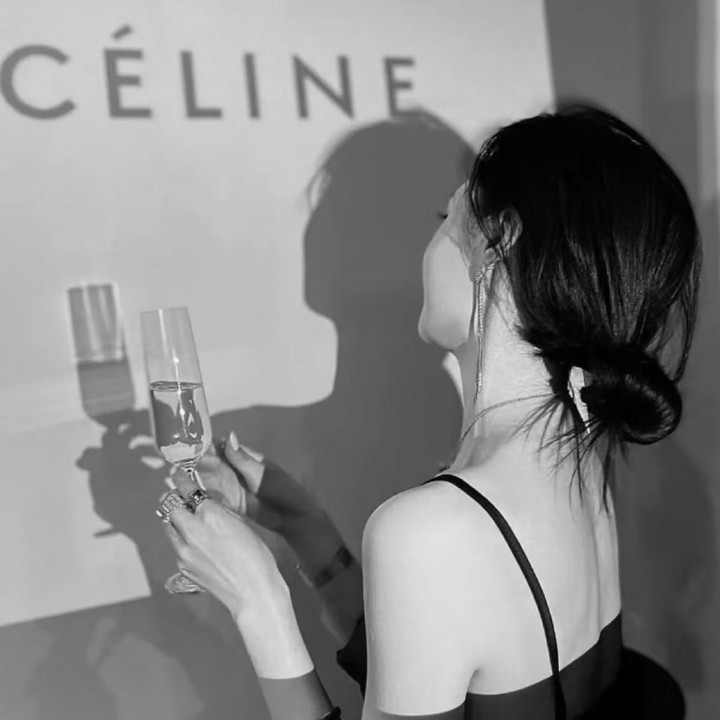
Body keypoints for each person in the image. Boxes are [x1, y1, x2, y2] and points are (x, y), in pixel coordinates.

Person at [156, 104, 701, 720]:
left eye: (446, 218)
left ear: (497, 243)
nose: (423, 249)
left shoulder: (432, 528)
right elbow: (432, 660)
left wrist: (259, 600)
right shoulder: (580, 457)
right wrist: (306, 528)